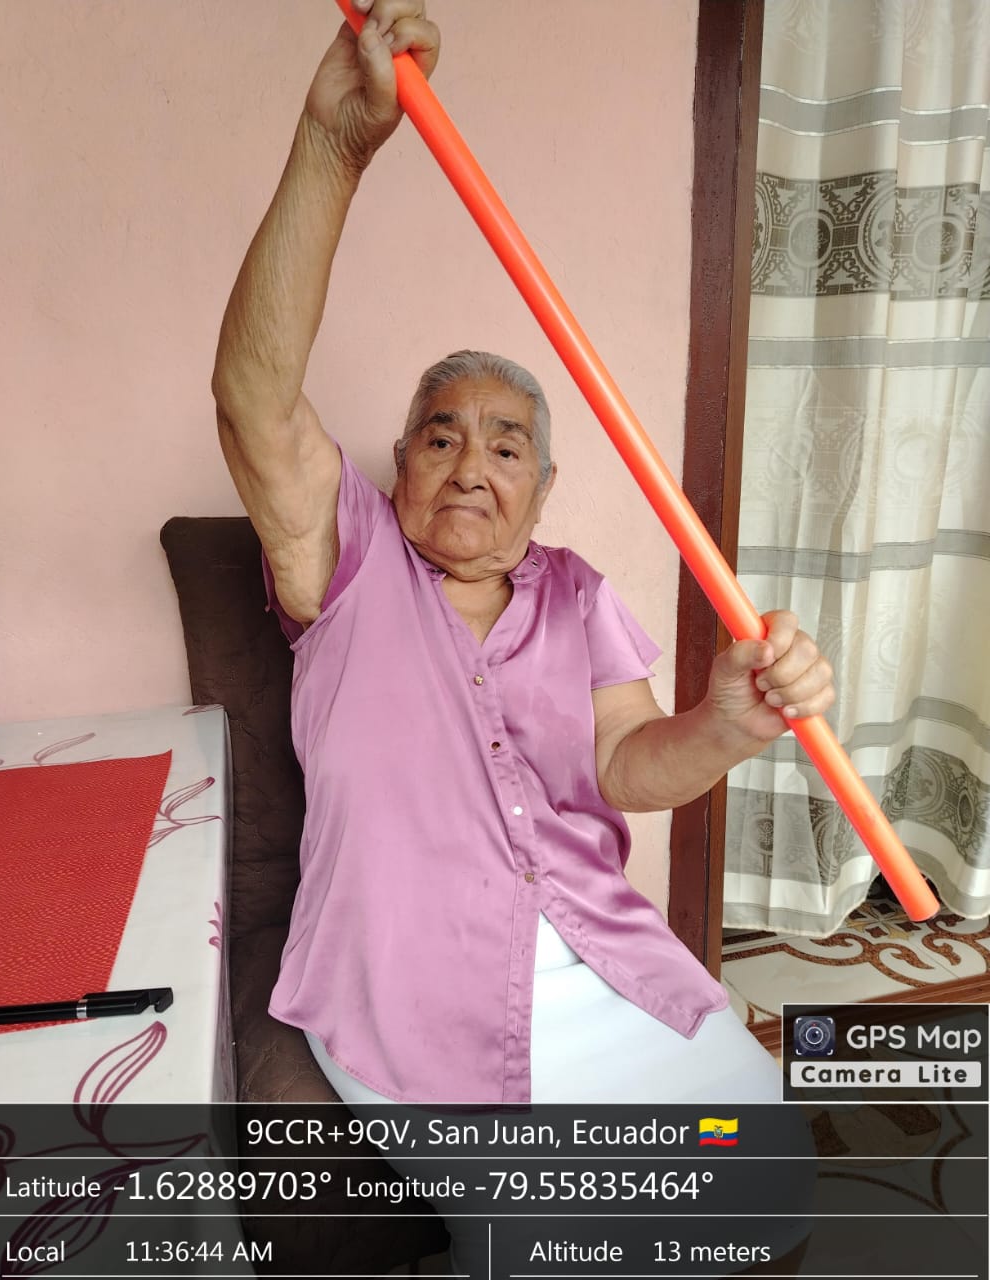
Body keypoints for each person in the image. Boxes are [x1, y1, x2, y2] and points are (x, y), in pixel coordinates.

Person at [212, 2, 830, 1272]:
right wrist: (333, 147)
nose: (471, 463)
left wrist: (725, 722)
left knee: (763, 1178)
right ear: (397, 466)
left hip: (601, 954)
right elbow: (253, 397)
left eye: (507, 445)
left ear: (542, 491)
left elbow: (626, 764)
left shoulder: (576, 590)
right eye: (441, 434)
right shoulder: (345, 562)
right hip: (408, 983)